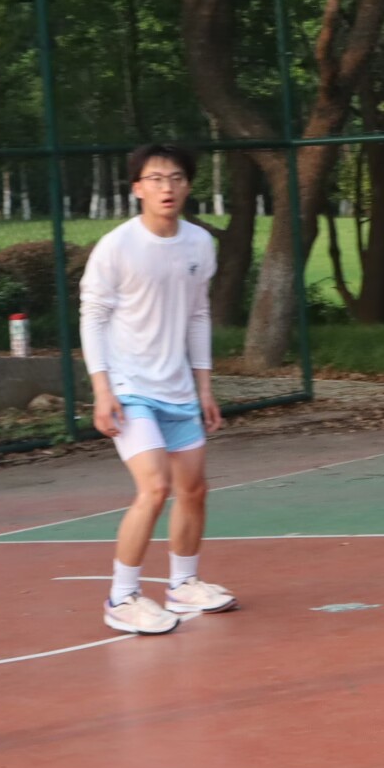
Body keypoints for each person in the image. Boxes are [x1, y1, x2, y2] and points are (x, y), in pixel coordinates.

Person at [81, 142, 234, 634]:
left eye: (176, 178)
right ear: (137, 188)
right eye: (155, 178)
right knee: (155, 487)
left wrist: (204, 387)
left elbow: (198, 314)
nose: (166, 187)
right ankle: (122, 597)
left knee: (194, 489)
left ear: (187, 186)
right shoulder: (117, 247)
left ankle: (183, 584)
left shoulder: (199, 244)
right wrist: (103, 390)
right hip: (130, 387)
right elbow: (93, 317)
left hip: (179, 388)